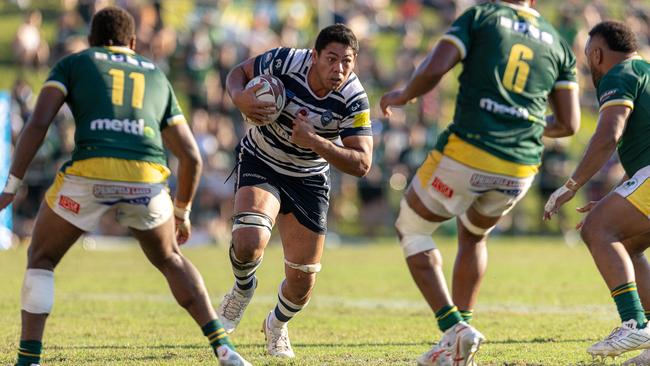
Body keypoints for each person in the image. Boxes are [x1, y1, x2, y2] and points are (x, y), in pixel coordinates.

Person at [0, 7, 250, 366]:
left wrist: (12, 184)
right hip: (145, 180)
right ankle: (224, 348)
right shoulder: (156, 75)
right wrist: (182, 213)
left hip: (89, 174)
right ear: (133, 43)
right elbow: (191, 157)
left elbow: (39, 123)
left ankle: (28, 361)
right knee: (170, 259)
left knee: (41, 258)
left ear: (91, 41)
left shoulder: (74, 63)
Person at [380, 0, 580, 364]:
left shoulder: (481, 16)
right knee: (473, 235)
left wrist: (404, 94)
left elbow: (437, 66)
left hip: (469, 152)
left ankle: (454, 327)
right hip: (521, 167)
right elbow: (569, 124)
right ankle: (459, 342)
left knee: (411, 228)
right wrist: (526, 126)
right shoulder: (557, 41)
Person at [219, 24, 373, 358]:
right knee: (248, 242)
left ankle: (275, 325)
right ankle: (243, 290)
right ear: (314, 55)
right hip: (263, 160)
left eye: (347, 61)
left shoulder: (353, 97)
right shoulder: (285, 61)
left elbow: (362, 163)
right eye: (331, 59)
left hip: (308, 178)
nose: (339, 69)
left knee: (302, 282)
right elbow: (238, 73)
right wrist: (240, 96)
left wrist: (315, 141)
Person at [544, 21, 650, 362]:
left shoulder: (619, 74)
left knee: (598, 229)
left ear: (596, 53)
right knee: (629, 246)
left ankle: (633, 323)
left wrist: (570, 186)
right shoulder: (645, 69)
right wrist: (614, 197)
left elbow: (608, 135)